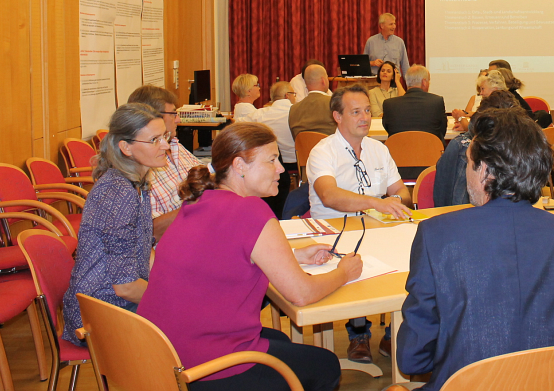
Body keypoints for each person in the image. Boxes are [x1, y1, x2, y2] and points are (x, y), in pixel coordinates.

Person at [398, 107, 554, 390]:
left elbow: (413, 358)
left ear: (484, 170)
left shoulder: (437, 236)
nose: (466, 172)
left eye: (468, 163)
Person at [138, 122, 360, 391]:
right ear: (239, 165)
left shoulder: (198, 200)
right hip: (205, 368)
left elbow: (222, 257)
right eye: (272, 160)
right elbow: (301, 294)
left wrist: (293, 256)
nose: (281, 169)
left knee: (281, 341)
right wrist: (344, 272)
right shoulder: (250, 210)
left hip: (159, 355)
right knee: (325, 365)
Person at [306, 84, 413, 363]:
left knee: (414, 257)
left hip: (378, 229)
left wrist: (393, 202)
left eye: (367, 110)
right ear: (337, 116)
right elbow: (329, 195)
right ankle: (358, 334)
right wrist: (376, 203)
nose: (365, 117)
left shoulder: (379, 149)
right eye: (356, 112)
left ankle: (394, 332)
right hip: (335, 232)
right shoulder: (323, 151)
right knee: (355, 258)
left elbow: (402, 192)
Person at [61, 103, 165, 346]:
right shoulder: (118, 193)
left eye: (165, 137)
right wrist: (169, 299)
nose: (165, 146)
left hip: (117, 302)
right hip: (100, 314)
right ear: (126, 147)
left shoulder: (136, 182)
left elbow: (141, 249)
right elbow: (125, 287)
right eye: (155, 140)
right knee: (196, 320)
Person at [126, 85, 204, 238]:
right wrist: (200, 204)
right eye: (174, 114)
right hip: (179, 240)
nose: (178, 119)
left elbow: (203, 176)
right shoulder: (136, 168)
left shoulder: (174, 144)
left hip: (201, 226)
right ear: (153, 117)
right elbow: (150, 233)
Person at [433, 90, 521, 207]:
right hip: (471, 214)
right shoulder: (467, 149)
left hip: (461, 213)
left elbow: (441, 195)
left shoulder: (460, 144)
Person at [244, 81, 298, 217]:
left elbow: (237, 125)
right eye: (294, 94)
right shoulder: (300, 113)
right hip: (298, 163)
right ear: (287, 95)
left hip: (270, 164)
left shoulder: (259, 115)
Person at [382, 64, 447, 143]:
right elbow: (442, 131)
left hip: (399, 149)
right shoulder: (437, 101)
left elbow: (388, 129)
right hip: (430, 149)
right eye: (428, 81)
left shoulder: (389, 104)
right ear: (424, 82)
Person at [288, 64, 336, 139]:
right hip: (330, 146)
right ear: (323, 80)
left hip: (303, 147)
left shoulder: (293, 109)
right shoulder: (334, 104)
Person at [363, 12, 409, 76]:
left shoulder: (399, 42)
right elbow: (363, 63)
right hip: (375, 79)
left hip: (393, 79)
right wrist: (373, 63)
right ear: (382, 26)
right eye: (391, 24)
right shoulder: (371, 41)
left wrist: (409, 81)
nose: (394, 27)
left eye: (394, 24)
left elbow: (405, 65)